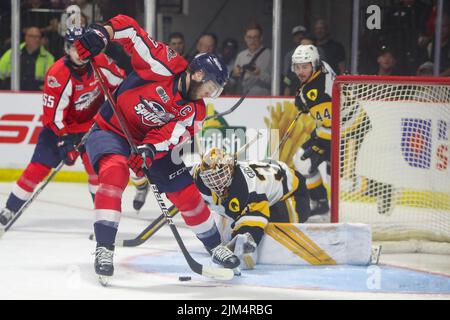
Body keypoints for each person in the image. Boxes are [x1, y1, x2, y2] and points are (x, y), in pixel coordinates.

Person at [73, 14, 240, 280]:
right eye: (210, 87)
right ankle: (104, 247)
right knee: (114, 174)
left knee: (186, 194)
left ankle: (215, 246)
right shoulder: (165, 64)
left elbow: (170, 136)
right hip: (113, 128)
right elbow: (132, 32)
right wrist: (103, 33)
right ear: (197, 74)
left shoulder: (195, 111)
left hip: (149, 145)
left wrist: (149, 151)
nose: (210, 94)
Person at [0, 27, 125, 227]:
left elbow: (122, 85)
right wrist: (64, 142)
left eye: (83, 47)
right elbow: (52, 117)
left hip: (91, 129)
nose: (79, 52)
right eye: (74, 47)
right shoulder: (58, 74)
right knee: (36, 169)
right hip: (58, 131)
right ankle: (10, 208)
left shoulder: (101, 62)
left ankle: (102, 217)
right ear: (67, 48)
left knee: (96, 173)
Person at [192, 147, 311, 269]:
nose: (215, 182)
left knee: (265, 221)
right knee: (230, 213)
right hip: (269, 179)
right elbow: (184, 176)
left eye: (219, 176)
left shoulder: (248, 190)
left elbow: (252, 224)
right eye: (210, 178)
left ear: (230, 169)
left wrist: (238, 247)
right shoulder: (202, 175)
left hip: (295, 196)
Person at [291, 45, 335, 221]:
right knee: (301, 161)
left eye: (305, 66)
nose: (301, 71)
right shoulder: (322, 67)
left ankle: (327, 207)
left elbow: (329, 124)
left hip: (345, 134)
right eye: (297, 66)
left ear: (314, 64)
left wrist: (302, 99)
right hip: (330, 131)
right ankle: (321, 202)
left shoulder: (315, 93)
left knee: (340, 179)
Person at [0, 26, 55, 90]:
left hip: (35, 96)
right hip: (12, 95)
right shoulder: (12, 53)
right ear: (26, 37)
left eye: (39, 37)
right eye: (33, 36)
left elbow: (53, 83)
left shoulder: (48, 58)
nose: (37, 39)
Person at [231, 23, 272, 95]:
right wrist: (235, 74)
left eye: (255, 37)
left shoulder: (270, 55)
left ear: (261, 38)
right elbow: (234, 82)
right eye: (249, 37)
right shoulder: (241, 55)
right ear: (245, 38)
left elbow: (278, 82)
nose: (252, 40)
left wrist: (259, 73)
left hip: (264, 100)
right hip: (243, 99)